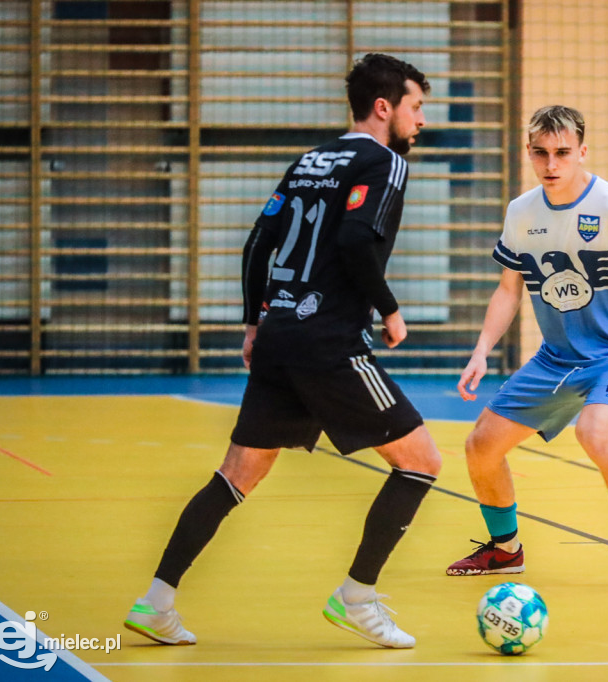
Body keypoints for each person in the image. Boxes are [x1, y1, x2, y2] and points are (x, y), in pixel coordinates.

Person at [124, 53, 441, 650]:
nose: (421, 120)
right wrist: (389, 308)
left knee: (235, 476)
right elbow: (352, 239)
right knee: (421, 463)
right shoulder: (386, 162)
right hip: (330, 345)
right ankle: (357, 598)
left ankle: (155, 602)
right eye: (416, 106)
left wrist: (253, 325)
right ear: (385, 107)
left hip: (280, 340)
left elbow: (258, 242)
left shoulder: (310, 161)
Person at [447, 105, 608, 590]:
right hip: (556, 358)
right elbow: (508, 290)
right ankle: (505, 550)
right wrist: (481, 350)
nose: (551, 164)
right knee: (480, 447)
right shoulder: (521, 212)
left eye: (562, 153)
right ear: (529, 153)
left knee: (595, 434)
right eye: (541, 153)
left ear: (582, 152)